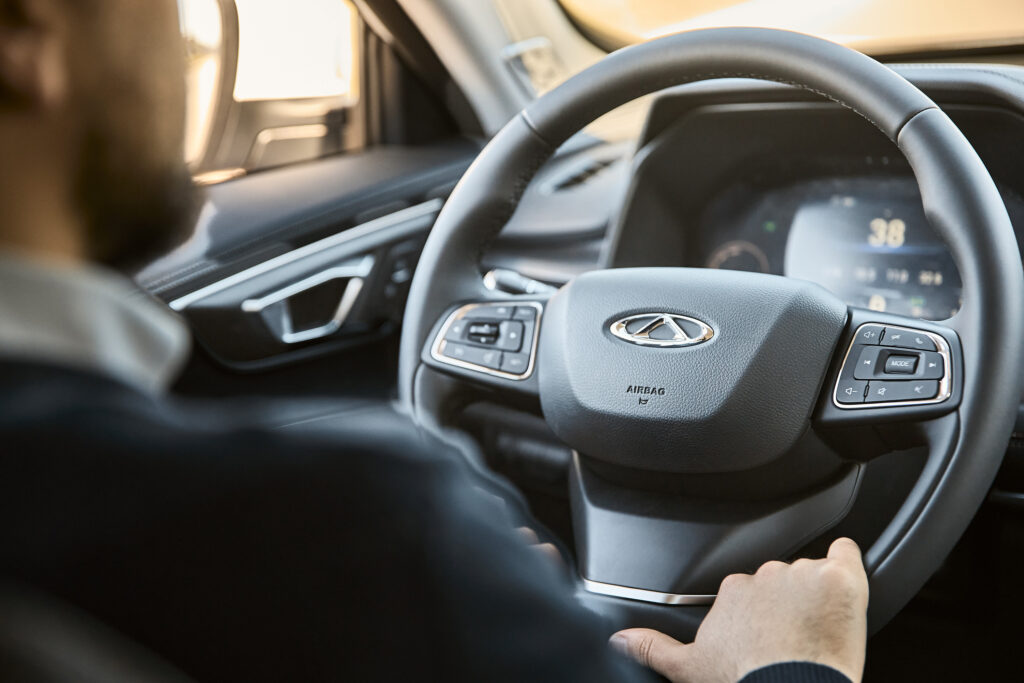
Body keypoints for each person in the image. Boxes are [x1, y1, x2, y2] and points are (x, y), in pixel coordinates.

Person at [0, 0, 869, 681]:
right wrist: (791, 666)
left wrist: (479, 597)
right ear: (25, 34)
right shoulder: (359, 538)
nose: (190, 47)